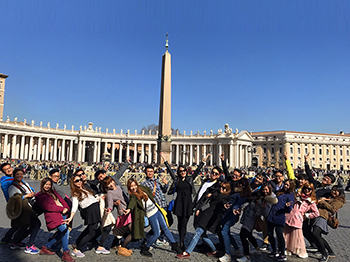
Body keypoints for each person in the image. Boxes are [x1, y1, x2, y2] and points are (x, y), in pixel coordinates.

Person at [162, 152, 210, 250]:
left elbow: (197, 171)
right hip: (179, 204)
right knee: (180, 223)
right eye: (180, 171)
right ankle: (181, 240)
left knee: (185, 223)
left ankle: (182, 241)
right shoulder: (177, 180)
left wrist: (203, 162)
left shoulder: (190, 179)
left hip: (188, 204)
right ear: (178, 172)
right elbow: (171, 171)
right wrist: (165, 161)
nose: (183, 172)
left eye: (184, 170)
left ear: (186, 171)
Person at [124, 178, 182, 257]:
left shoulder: (142, 188)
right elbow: (132, 202)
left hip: (157, 210)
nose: (133, 187)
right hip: (151, 214)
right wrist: (129, 209)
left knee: (165, 228)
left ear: (137, 184)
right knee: (157, 233)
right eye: (131, 186)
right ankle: (146, 248)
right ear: (129, 187)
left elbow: (153, 190)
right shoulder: (133, 196)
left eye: (134, 185)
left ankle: (174, 245)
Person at [176, 182, 231, 259]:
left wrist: (224, 204)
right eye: (220, 187)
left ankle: (187, 252)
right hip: (205, 215)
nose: (221, 188)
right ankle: (214, 250)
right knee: (203, 235)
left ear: (227, 190)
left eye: (224, 188)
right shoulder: (216, 192)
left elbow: (222, 201)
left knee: (198, 233)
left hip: (210, 218)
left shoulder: (225, 197)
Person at [65, 173, 107, 257]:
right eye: (76, 181)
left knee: (89, 230)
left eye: (80, 180)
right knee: (91, 232)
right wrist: (71, 217)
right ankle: (77, 249)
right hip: (90, 212)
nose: (79, 182)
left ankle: (78, 243)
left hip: (95, 210)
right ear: (73, 183)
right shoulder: (75, 194)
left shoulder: (85, 189)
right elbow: (74, 207)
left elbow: (92, 199)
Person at [35, 177, 74, 262]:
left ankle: (46, 247)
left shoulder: (53, 192)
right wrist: (61, 209)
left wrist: (66, 208)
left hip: (62, 214)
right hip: (53, 216)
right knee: (65, 231)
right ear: (42, 185)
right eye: (46, 184)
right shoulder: (40, 195)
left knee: (62, 232)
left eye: (49, 184)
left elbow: (62, 201)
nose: (47, 186)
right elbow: (48, 206)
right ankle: (66, 253)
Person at [236, 183, 278, 262]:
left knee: (243, 234)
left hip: (252, 219)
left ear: (269, 190)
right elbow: (249, 202)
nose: (264, 191)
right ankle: (257, 248)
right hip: (247, 216)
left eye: (266, 190)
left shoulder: (268, 200)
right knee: (248, 234)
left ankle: (246, 256)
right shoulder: (258, 195)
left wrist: (263, 207)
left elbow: (265, 214)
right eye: (263, 189)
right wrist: (241, 207)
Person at [7, 168, 41, 254]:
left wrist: (32, 193)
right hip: (23, 209)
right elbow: (13, 199)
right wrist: (25, 196)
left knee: (26, 225)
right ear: (14, 175)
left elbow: (31, 190)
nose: (19, 176)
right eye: (17, 174)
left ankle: (16, 241)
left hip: (29, 207)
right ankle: (29, 246)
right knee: (35, 224)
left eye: (21, 174)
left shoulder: (25, 183)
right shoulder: (12, 187)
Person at [283, 181, 319, 258]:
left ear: (312, 190)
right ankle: (288, 248)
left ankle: (299, 251)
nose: (307, 190)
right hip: (289, 216)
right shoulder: (297, 196)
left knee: (297, 236)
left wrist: (306, 215)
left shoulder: (311, 201)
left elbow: (316, 213)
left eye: (309, 189)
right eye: (305, 188)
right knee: (287, 234)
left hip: (298, 219)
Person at [219, 178, 251, 262]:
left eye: (243, 184)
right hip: (228, 213)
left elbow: (237, 204)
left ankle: (227, 254)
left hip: (231, 215)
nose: (240, 185)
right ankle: (237, 249)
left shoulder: (241, 194)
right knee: (227, 232)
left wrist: (235, 209)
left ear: (245, 186)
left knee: (224, 231)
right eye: (240, 183)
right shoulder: (237, 192)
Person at [312, 185, 345, 262]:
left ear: (340, 192)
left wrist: (323, 202)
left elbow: (333, 209)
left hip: (323, 216)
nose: (333, 192)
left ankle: (324, 254)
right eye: (333, 190)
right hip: (318, 215)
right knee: (318, 235)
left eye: (336, 191)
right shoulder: (329, 197)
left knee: (315, 233)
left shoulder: (339, 201)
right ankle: (330, 252)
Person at [102, 176, 133, 256]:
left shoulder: (119, 187)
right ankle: (122, 248)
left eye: (111, 182)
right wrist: (109, 209)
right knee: (133, 231)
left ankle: (120, 246)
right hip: (123, 213)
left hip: (129, 209)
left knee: (127, 231)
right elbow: (110, 203)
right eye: (108, 184)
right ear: (106, 186)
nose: (111, 184)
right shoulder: (109, 192)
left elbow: (126, 197)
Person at [266, 179, 295, 262]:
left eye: (287, 185)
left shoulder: (291, 195)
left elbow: (289, 210)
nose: (285, 186)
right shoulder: (279, 191)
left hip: (280, 216)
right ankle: (274, 250)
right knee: (270, 234)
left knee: (279, 235)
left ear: (291, 186)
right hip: (272, 214)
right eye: (285, 184)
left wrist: (287, 206)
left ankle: (282, 253)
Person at [141, 164, 169, 245]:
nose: (150, 173)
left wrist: (166, 184)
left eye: (151, 171)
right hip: (156, 207)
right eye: (148, 171)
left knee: (167, 222)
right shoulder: (144, 184)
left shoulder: (157, 181)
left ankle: (153, 238)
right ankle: (151, 240)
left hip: (163, 204)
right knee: (158, 225)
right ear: (145, 172)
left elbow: (163, 191)